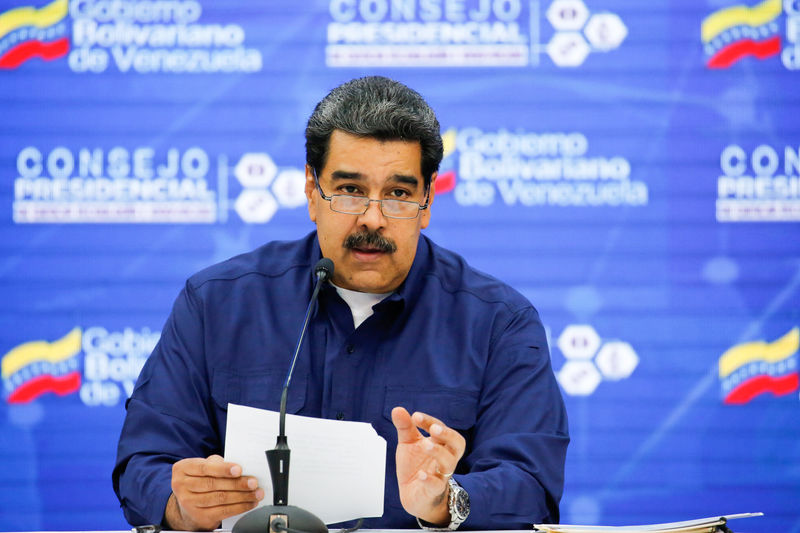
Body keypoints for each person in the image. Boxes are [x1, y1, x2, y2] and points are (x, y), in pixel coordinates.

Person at [112, 76, 569, 531]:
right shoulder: (216, 304)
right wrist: (181, 504)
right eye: (350, 189)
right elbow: (144, 463)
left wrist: (444, 501)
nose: (373, 218)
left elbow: (531, 487)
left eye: (398, 194)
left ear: (428, 200)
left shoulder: (498, 324)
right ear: (312, 190)